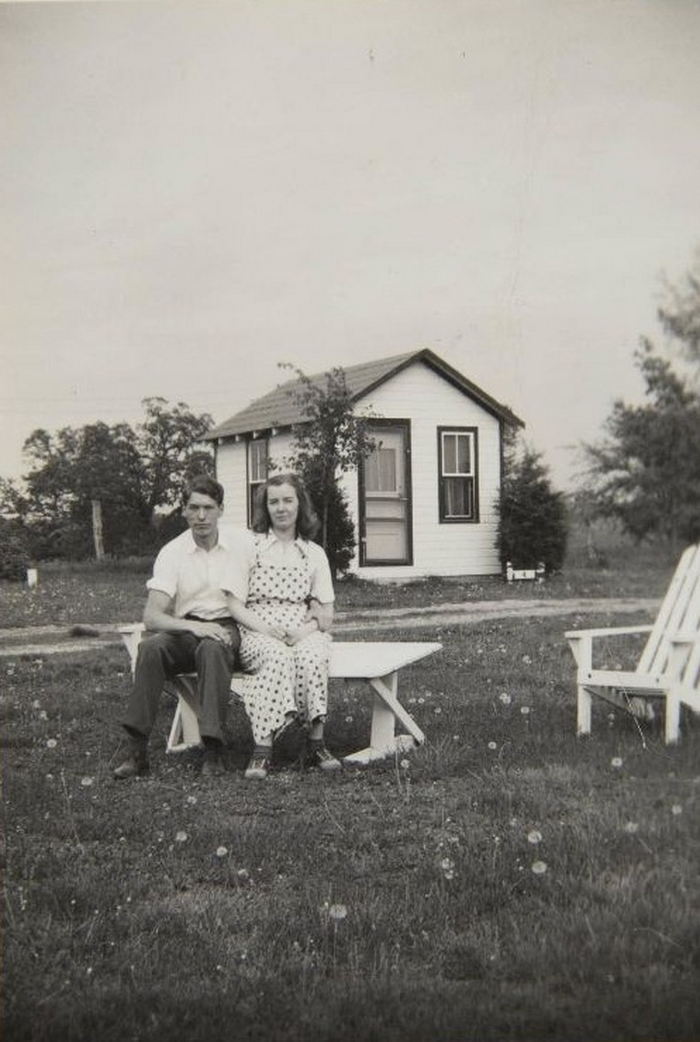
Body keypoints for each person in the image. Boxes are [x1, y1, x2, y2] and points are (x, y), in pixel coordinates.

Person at [113, 475, 243, 780]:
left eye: (208, 508)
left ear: (221, 509)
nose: (201, 516)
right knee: (150, 647)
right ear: (183, 510)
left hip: (228, 627)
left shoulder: (241, 543)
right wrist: (194, 628)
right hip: (188, 629)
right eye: (193, 508)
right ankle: (136, 749)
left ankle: (213, 748)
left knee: (212, 648)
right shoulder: (172, 552)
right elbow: (152, 617)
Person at [223, 472, 339, 780]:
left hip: (302, 627)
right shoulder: (251, 546)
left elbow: (327, 611)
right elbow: (233, 603)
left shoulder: (313, 553)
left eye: (288, 500)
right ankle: (263, 749)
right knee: (275, 656)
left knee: (313, 655)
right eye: (273, 502)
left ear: (300, 505)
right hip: (258, 627)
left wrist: (303, 632)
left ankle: (316, 744)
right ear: (265, 507)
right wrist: (264, 628)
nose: (281, 508)